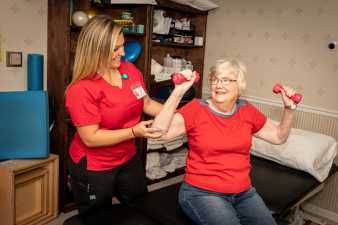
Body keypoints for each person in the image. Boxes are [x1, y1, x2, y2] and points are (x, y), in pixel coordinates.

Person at [151, 58, 298, 225]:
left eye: (226, 80)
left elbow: (278, 137)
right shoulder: (197, 109)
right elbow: (157, 133)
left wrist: (289, 110)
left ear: (239, 86)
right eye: (215, 79)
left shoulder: (247, 110)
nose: (218, 84)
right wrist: (178, 92)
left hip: (244, 193)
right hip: (202, 193)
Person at [65, 15, 162, 215]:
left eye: (123, 45)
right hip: (94, 166)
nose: (124, 53)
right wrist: (134, 132)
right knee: (98, 217)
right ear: (96, 50)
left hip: (127, 157)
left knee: (142, 207)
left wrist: (180, 114)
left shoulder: (130, 70)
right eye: (116, 49)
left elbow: (147, 103)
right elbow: (91, 138)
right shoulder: (81, 89)